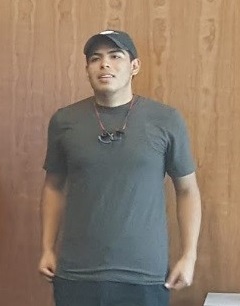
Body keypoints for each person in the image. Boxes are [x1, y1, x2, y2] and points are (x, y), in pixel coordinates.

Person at [38, 29, 202, 306]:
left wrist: (189, 255)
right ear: (87, 68)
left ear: (134, 66)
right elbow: (53, 187)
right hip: (77, 274)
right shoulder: (65, 121)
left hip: (144, 276)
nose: (105, 64)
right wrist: (46, 248)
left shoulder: (166, 120)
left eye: (116, 56)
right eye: (95, 58)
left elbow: (187, 190)